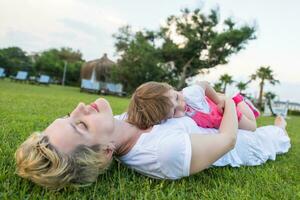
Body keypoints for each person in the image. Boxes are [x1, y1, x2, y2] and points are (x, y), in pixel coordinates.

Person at [15, 97, 290, 190]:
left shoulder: (121, 121)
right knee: (276, 135)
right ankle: (281, 125)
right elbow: (228, 140)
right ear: (106, 152)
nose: (78, 108)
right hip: (249, 144)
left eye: (67, 116)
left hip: (216, 121)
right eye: (81, 125)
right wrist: (228, 100)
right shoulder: (161, 154)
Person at [127, 81, 259, 131]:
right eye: (174, 112)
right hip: (214, 120)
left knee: (252, 126)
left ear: (171, 88)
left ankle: (238, 99)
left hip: (222, 111)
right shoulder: (165, 116)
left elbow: (205, 85)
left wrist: (218, 100)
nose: (181, 106)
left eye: (177, 97)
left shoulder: (191, 93)